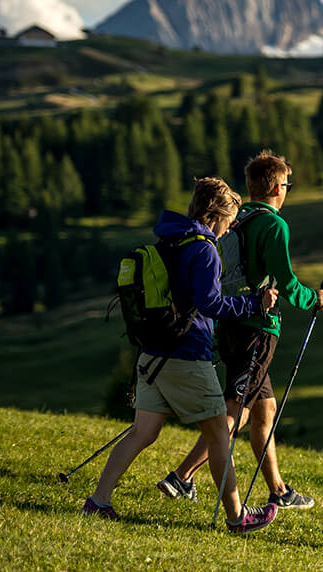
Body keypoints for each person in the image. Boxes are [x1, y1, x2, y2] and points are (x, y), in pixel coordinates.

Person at [82, 177, 280, 534]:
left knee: (143, 431)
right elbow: (210, 303)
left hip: (153, 354)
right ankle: (237, 518)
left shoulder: (171, 238)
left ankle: (99, 501)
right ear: (215, 214)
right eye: (229, 220)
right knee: (220, 434)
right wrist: (254, 302)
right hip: (187, 356)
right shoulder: (203, 248)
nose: (229, 228)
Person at [159, 150, 323, 509]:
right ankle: (182, 476)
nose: (287, 189)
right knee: (237, 410)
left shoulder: (239, 218)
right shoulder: (274, 225)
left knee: (263, 408)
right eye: (286, 183)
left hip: (230, 321)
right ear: (273, 187)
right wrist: (313, 299)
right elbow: (284, 280)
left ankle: (279, 490)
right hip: (258, 326)